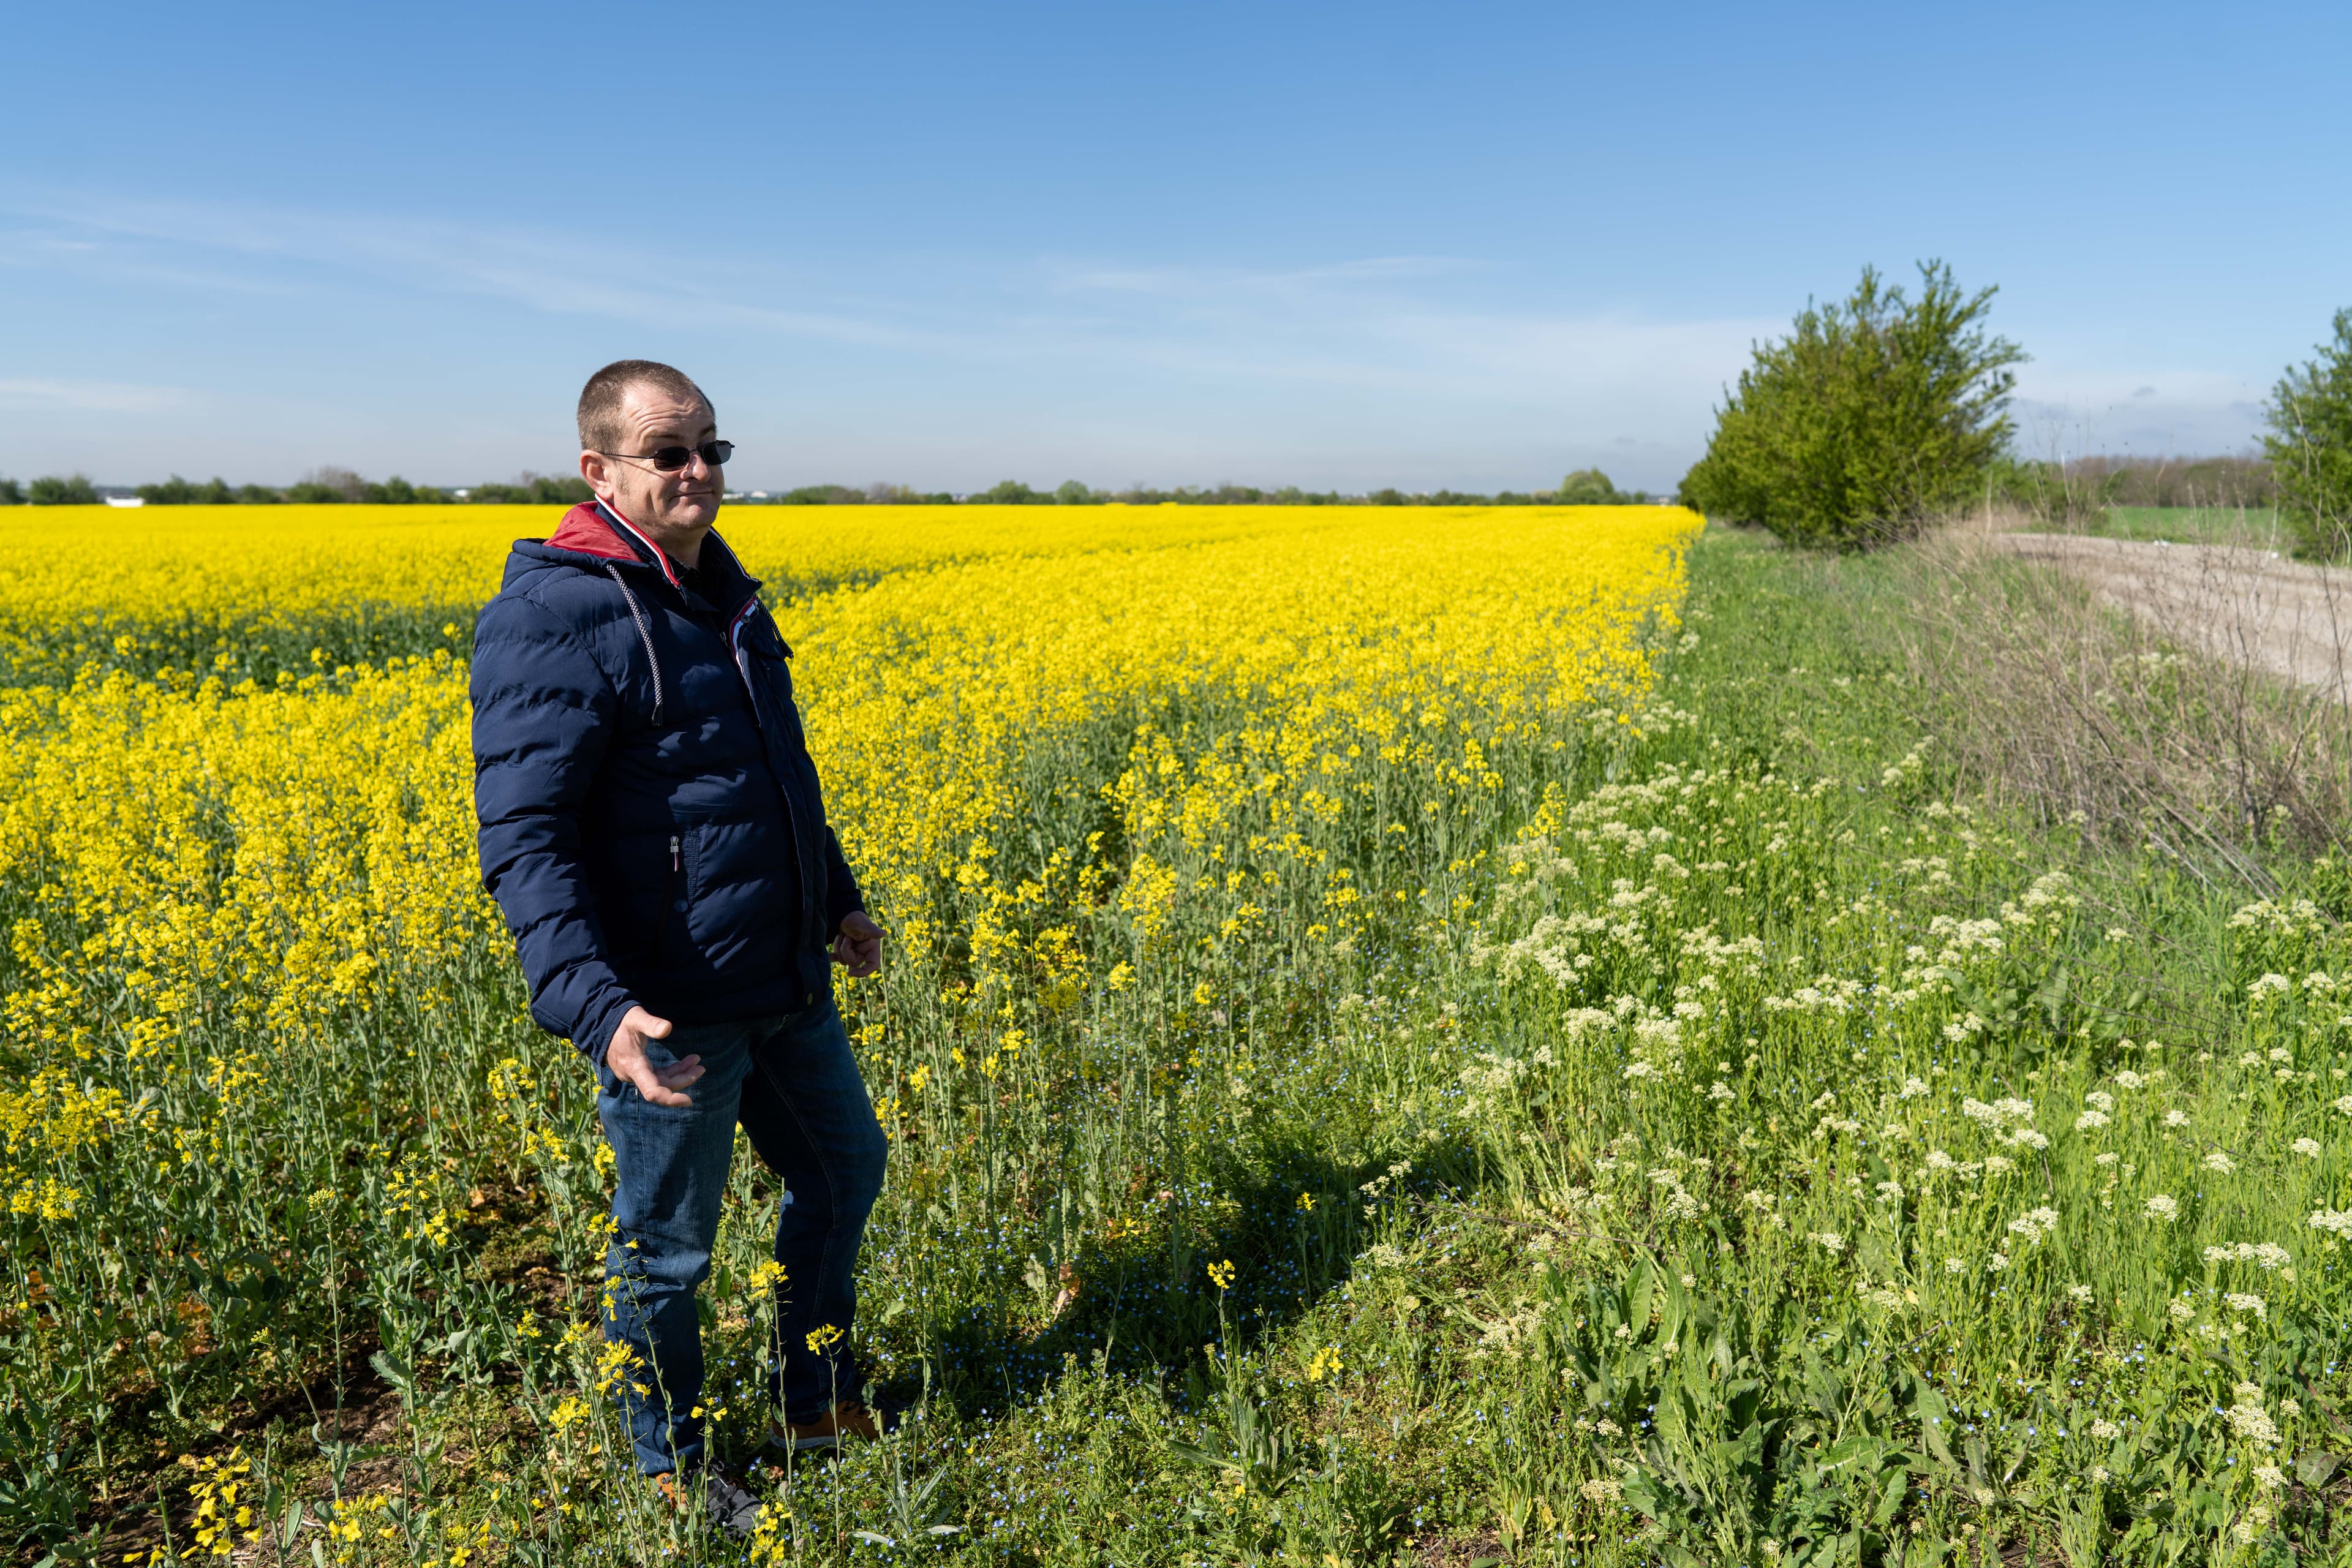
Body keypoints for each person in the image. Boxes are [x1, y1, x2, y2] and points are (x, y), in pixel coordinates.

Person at [470, 359, 891, 1532]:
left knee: (846, 1173)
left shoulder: (723, 593)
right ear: (599, 470)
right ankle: (669, 1461)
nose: (699, 471)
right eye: (670, 454)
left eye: (712, 448)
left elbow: (769, 780)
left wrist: (834, 901)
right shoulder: (557, 613)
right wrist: (598, 1009)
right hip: (672, 1008)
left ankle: (815, 1399)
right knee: (668, 1256)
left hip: (781, 978)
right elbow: (525, 834)